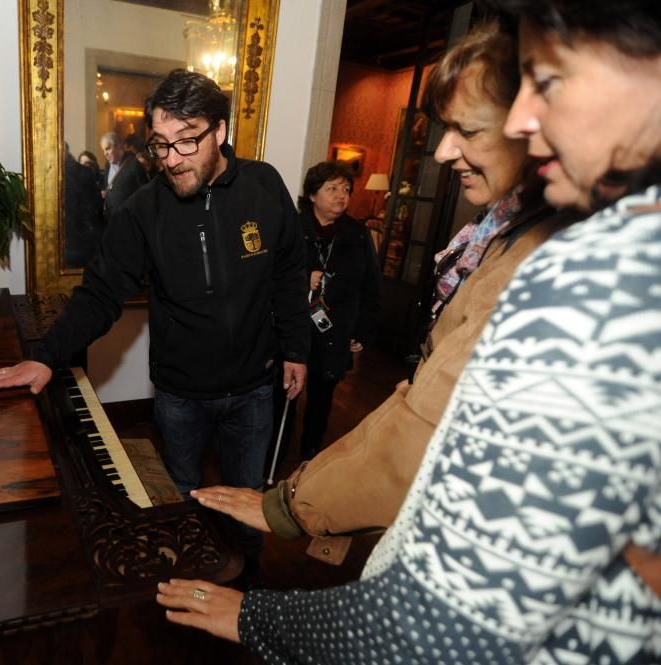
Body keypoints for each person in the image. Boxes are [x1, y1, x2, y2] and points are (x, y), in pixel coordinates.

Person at [156, 2, 661, 662]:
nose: (521, 120)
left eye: (551, 81)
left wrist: (258, 613)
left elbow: (432, 627)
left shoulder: (590, 282)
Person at [192, 20, 577, 569]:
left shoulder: (540, 256)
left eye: (467, 130)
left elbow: (424, 426)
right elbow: (416, 403)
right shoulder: (501, 234)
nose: (443, 152)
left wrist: (289, 507)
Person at [0, 69, 309, 568]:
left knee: (247, 508)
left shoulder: (264, 185)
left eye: (187, 142)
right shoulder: (142, 210)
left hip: (253, 387)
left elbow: (288, 271)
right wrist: (47, 357)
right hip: (180, 395)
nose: (172, 159)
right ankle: (182, 596)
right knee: (180, 504)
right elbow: (100, 292)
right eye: (160, 145)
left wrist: (296, 349)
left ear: (220, 132)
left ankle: (245, 599)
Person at [295, 161, 381, 460]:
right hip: (295, 328)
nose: (341, 195)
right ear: (312, 195)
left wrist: (362, 331)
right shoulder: (293, 227)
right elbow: (271, 276)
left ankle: (309, 457)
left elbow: (371, 286)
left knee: (322, 397)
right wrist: (303, 277)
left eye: (346, 189)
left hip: (335, 329)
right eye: (331, 188)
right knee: (284, 396)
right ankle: (271, 456)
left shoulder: (358, 234)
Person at [63, 144, 106, 268]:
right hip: (86, 237)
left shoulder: (53, 174)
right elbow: (97, 204)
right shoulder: (84, 172)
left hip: (73, 240)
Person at [100, 131, 149, 221]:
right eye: (103, 150)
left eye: (108, 149)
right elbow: (108, 185)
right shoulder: (107, 165)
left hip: (128, 220)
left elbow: (145, 195)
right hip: (110, 220)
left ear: (118, 146)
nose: (105, 153)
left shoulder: (134, 165)